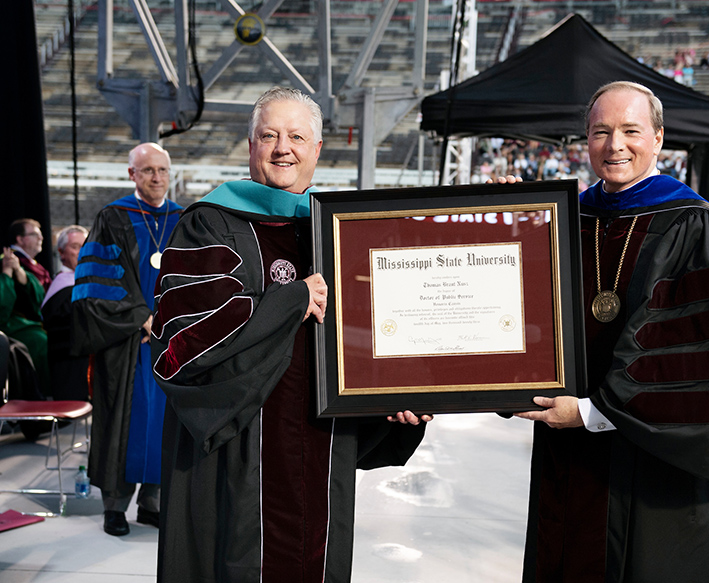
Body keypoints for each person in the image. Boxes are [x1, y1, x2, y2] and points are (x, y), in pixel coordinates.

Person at [150, 87, 429, 583]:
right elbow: (183, 345)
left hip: (322, 442)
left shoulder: (342, 231)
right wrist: (292, 300)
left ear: (318, 149)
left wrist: (397, 394)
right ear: (250, 145)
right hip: (240, 451)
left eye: (297, 136)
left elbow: (374, 335)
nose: (284, 148)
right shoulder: (209, 223)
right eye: (269, 135)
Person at [514, 82, 709, 582]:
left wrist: (591, 411)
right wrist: (504, 219)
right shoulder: (568, 217)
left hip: (655, 462)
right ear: (585, 141)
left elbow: (690, 350)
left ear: (657, 138)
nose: (615, 146)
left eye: (631, 131)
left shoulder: (692, 223)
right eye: (600, 132)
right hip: (568, 451)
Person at [71, 143, 184, 536]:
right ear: (131, 174)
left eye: (162, 170)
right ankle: (115, 508)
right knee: (123, 421)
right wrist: (141, 318)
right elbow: (95, 285)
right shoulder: (113, 217)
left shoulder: (185, 220)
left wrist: (171, 322)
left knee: (165, 423)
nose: (156, 178)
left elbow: (197, 282)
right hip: (126, 345)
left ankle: (151, 504)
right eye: (148, 170)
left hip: (172, 343)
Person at [41, 225, 89, 401]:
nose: (82, 251)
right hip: (70, 368)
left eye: (86, 245)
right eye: (76, 246)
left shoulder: (87, 282)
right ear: (61, 252)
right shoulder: (62, 289)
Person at [0, 246, 48, 401]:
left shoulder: (13, 259)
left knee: (40, 335)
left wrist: (18, 271)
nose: (40, 238)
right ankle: (35, 396)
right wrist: (6, 272)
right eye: (34, 234)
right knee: (36, 339)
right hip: (5, 323)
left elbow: (37, 299)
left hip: (17, 320)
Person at [8, 218, 51, 290]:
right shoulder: (10, 261)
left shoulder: (31, 262)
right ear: (20, 239)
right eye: (35, 234)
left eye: (40, 234)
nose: (41, 238)